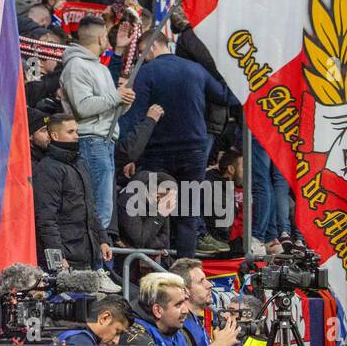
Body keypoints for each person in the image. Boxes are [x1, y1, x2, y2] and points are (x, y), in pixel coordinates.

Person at [124, 28, 233, 258]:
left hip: (157, 152)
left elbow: (136, 116)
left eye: (142, 52)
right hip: (194, 149)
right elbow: (223, 96)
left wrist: (131, 154)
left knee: (152, 208)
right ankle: (186, 266)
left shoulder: (147, 72)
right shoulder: (196, 69)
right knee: (188, 211)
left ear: (153, 47)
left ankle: (153, 267)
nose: (140, 58)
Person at [60, 17, 135, 241]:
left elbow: (108, 109)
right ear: (101, 37)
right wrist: (115, 96)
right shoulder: (76, 66)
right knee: (98, 207)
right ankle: (93, 262)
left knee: (104, 206)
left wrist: (124, 102)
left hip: (104, 141)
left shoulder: (99, 68)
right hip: (90, 141)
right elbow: (83, 108)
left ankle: (97, 259)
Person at [32, 115, 113, 276]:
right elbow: (46, 218)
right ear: (55, 135)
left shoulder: (80, 164)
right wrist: (57, 257)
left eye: (77, 131)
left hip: (87, 253)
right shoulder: (47, 169)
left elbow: (91, 209)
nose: (76, 135)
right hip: (66, 256)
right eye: (70, 132)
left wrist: (102, 240)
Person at [170, 257, 239, 346]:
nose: (210, 285)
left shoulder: (196, 322)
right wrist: (218, 345)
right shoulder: (175, 326)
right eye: (201, 281)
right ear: (185, 290)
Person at [121, 272, 197, 346]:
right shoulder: (135, 337)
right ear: (157, 310)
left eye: (184, 302)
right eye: (178, 305)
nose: (186, 310)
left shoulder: (179, 332)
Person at [56, 294, 134, 346]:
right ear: (105, 318)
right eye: (117, 332)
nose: (116, 342)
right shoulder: (82, 344)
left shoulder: (67, 328)